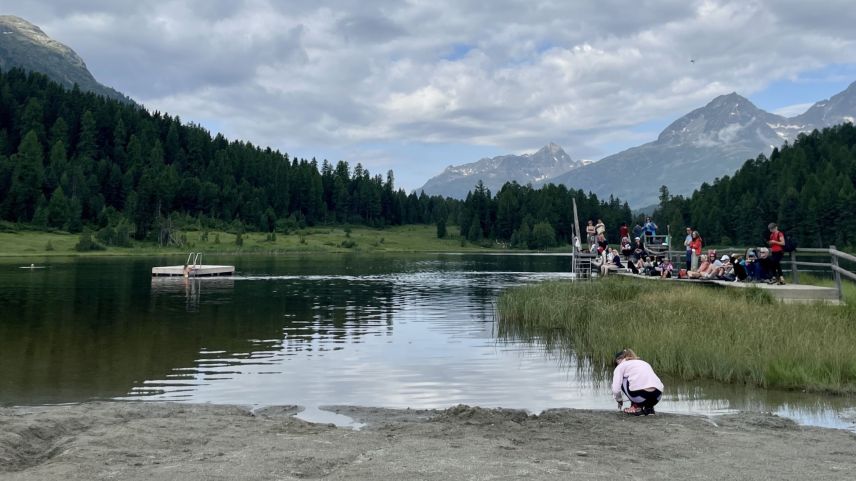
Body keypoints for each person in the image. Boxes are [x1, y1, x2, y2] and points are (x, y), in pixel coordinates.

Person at [612, 348, 664, 416]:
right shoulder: (644, 363)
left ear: (618, 360)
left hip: (640, 397)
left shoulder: (620, 366)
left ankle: (636, 407)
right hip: (657, 397)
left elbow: (615, 389)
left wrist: (619, 400)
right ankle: (649, 408)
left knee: (623, 379)